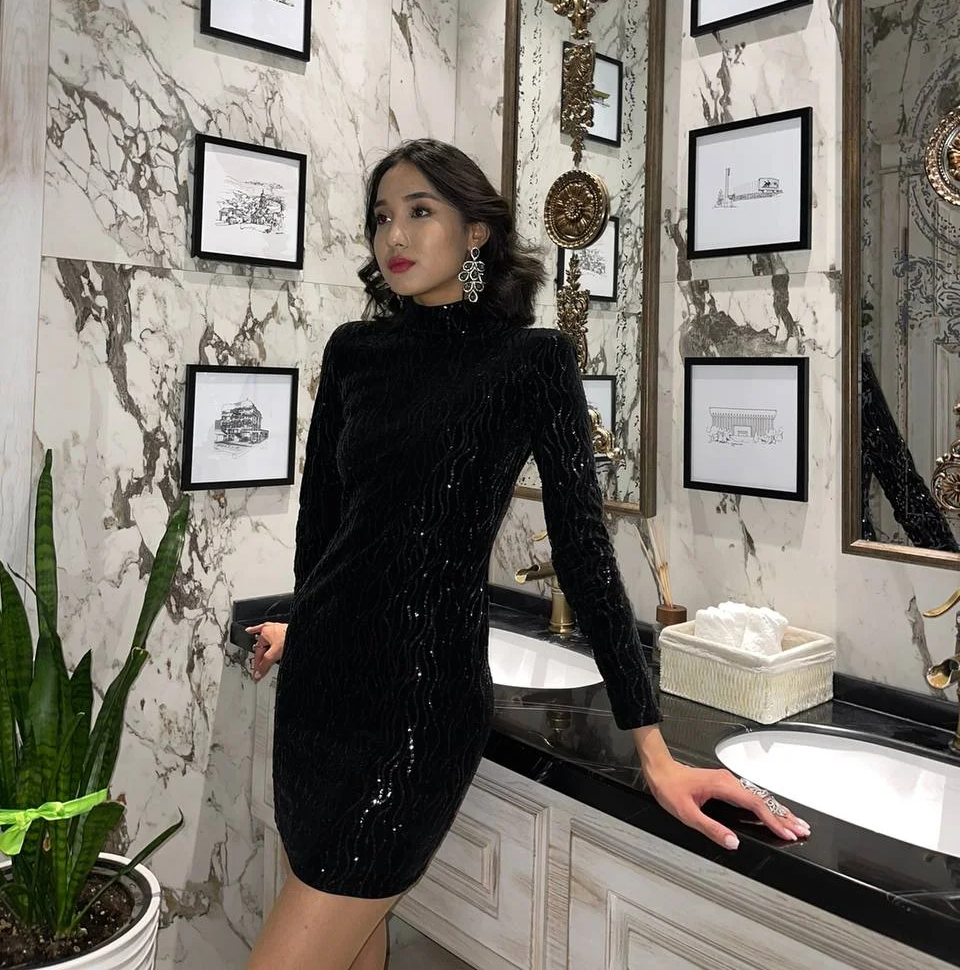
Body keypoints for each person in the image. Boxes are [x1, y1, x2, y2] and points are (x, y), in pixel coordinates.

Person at [244, 140, 809, 970]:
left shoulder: (530, 362)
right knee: (355, 944)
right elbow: (324, 528)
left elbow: (584, 552)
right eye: (381, 217)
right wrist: (305, 624)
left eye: (420, 211)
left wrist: (652, 748)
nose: (394, 234)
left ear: (476, 231)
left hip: (416, 711)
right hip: (317, 698)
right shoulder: (351, 352)